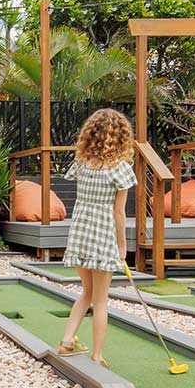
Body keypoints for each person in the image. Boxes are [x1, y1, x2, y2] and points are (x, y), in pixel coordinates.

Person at [58, 109, 136, 365]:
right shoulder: (120, 169)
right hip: (102, 236)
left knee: (87, 292)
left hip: (80, 233)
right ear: (122, 137)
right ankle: (98, 355)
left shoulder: (82, 164)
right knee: (101, 300)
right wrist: (122, 246)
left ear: (90, 135)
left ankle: (67, 342)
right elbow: (118, 213)